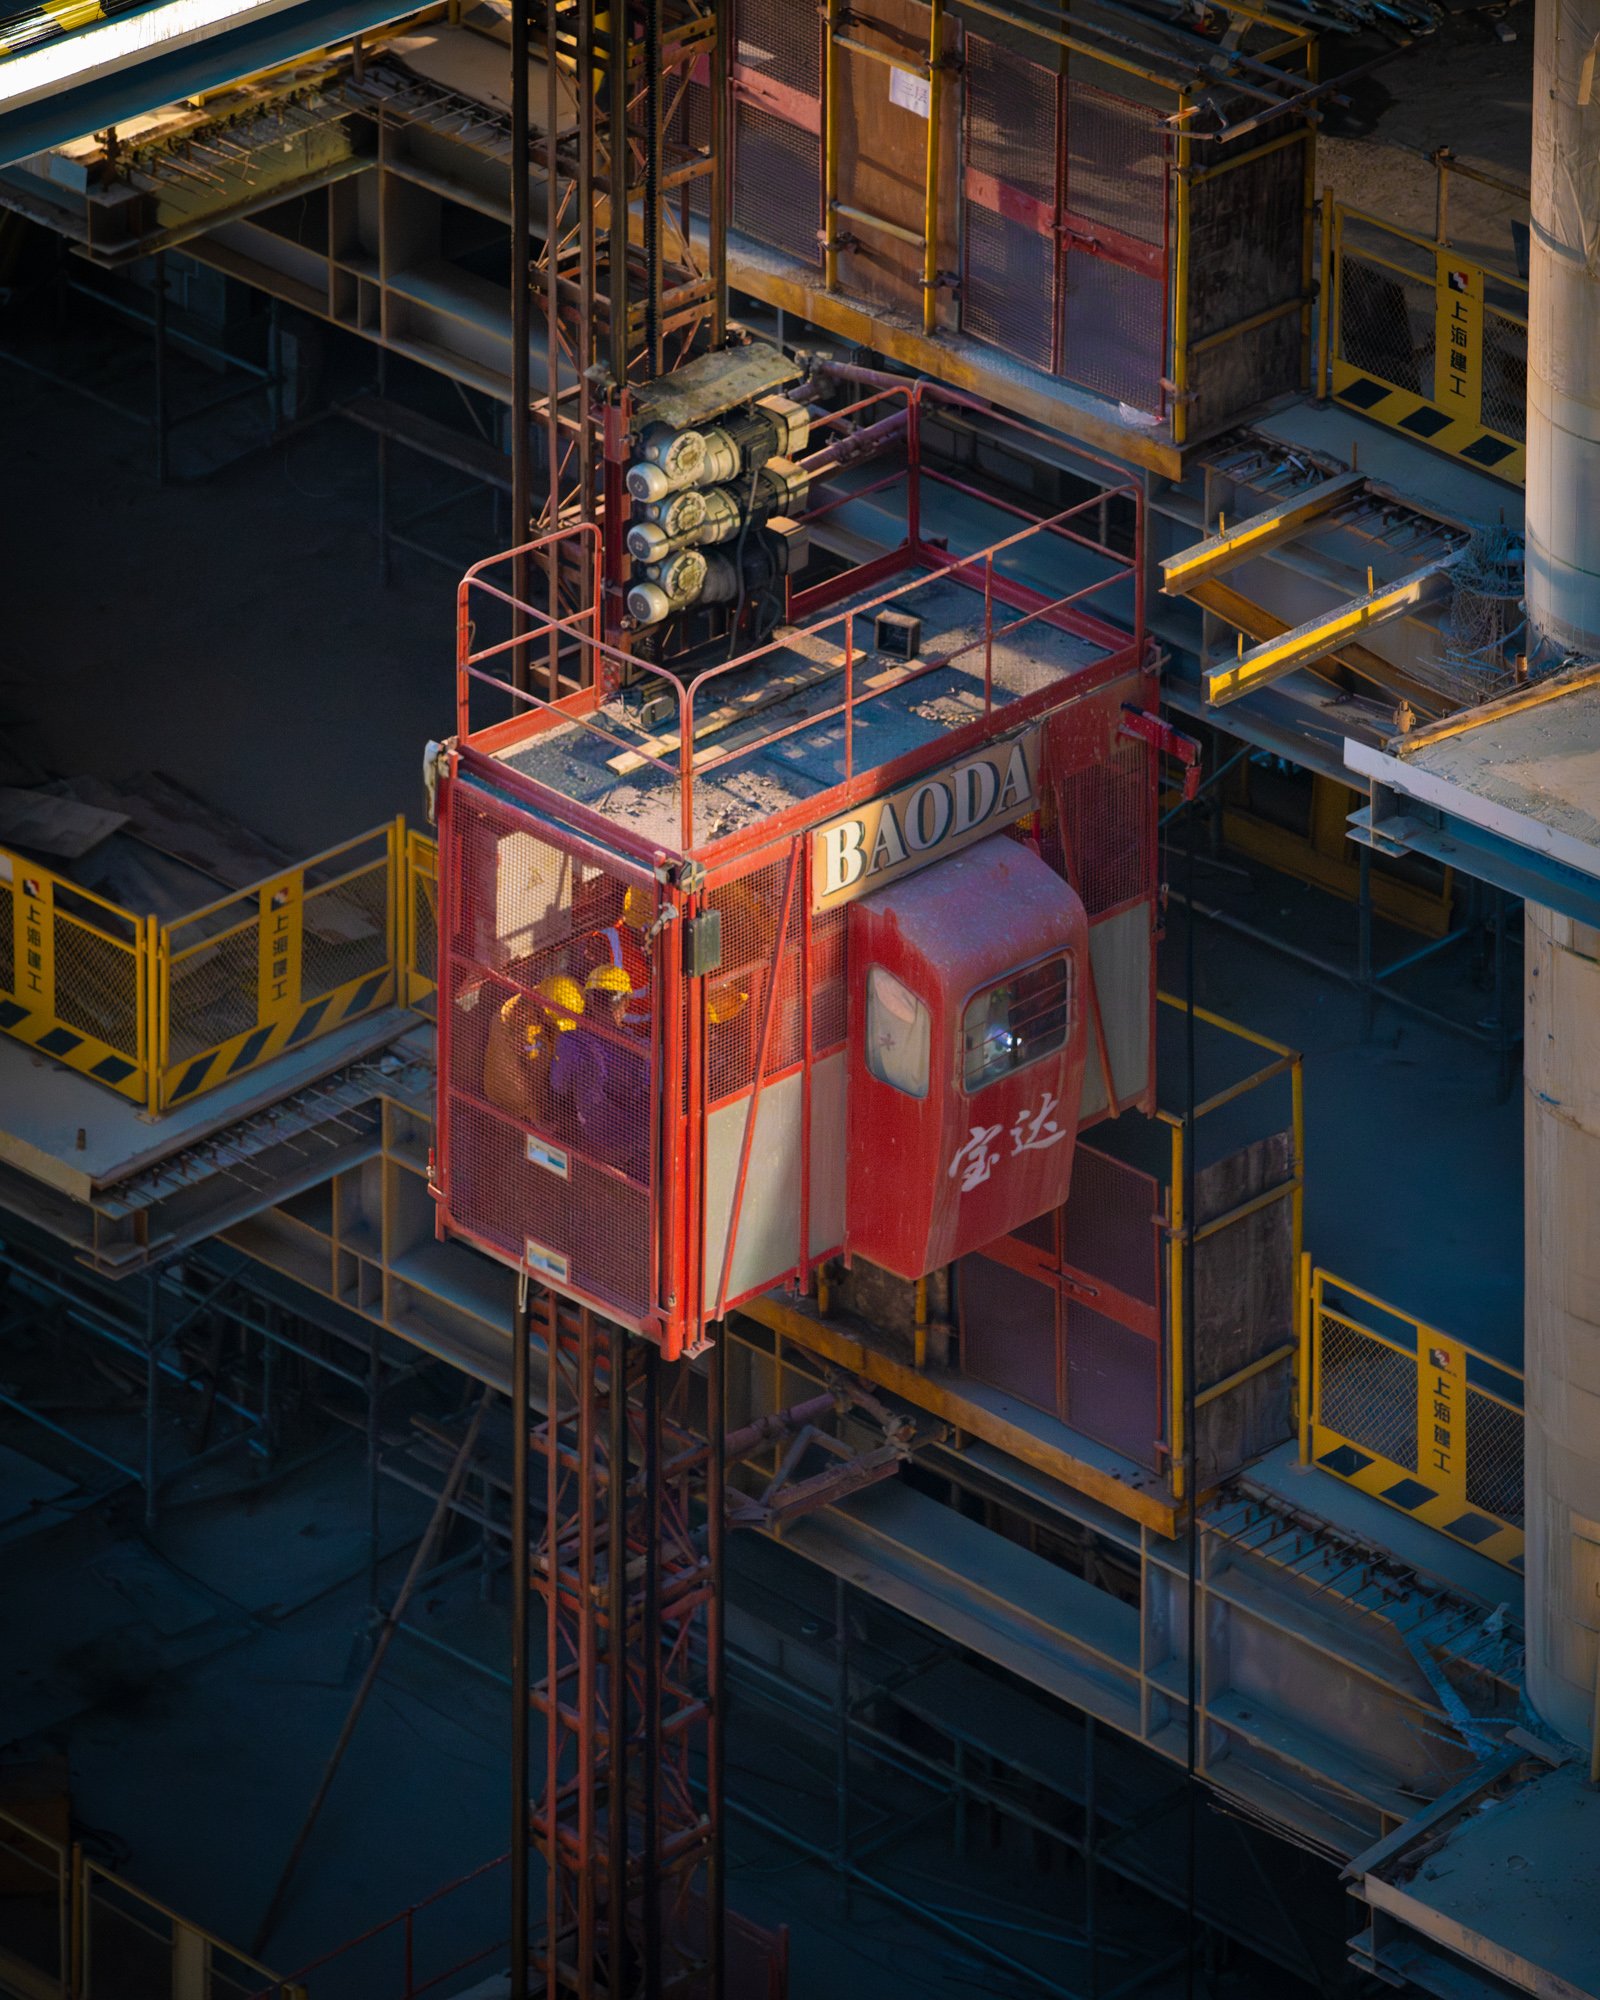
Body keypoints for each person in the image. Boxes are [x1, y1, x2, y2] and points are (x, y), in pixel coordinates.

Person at [482, 974, 584, 1123]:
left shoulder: (566, 992)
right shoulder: (514, 1020)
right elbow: (517, 1083)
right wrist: (534, 1112)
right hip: (518, 1106)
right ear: (543, 1010)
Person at [580, 885, 652, 1035]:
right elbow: (595, 1004)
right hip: (618, 1039)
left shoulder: (658, 947)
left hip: (649, 1037)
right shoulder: (604, 945)